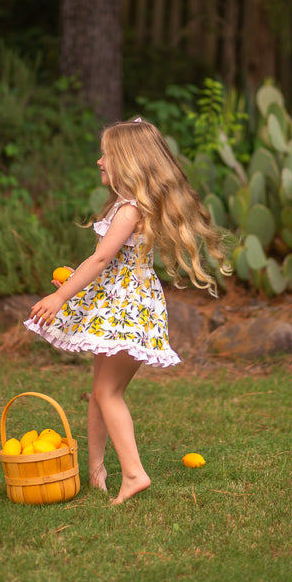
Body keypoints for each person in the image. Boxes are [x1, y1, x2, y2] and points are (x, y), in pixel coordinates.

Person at [24, 117, 230, 505]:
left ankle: (134, 474)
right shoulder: (125, 206)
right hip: (121, 305)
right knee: (99, 391)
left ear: (127, 161)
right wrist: (71, 282)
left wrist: (60, 298)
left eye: (106, 156)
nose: (99, 162)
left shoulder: (129, 210)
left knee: (107, 391)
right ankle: (96, 472)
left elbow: (101, 259)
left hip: (127, 311)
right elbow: (111, 264)